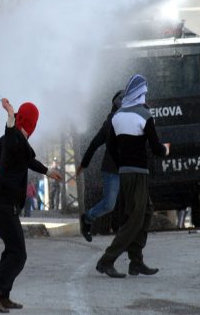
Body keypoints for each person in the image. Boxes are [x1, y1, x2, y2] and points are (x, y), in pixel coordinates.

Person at [0, 99, 61, 313]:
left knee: (12, 251)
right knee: (19, 253)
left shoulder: (21, 143)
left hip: (3, 203)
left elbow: (30, 160)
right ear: (31, 123)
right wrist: (10, 115)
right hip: (0, 203)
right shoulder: (13, 137)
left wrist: (47, 172)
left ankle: (3, 295)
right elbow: (11, 132)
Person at [96, 74, 169, 278]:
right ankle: (106, 260)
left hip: (125, 174)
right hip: (139, 175)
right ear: (141, 94)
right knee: (135, 220)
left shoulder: (118, 116)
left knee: (146, 211)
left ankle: (136, 261)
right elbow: (156, 148)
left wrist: (121, 163)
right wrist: (165, 150)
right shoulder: (144, 116)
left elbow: (110, 146)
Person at [77, 90, 125, 242]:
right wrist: (84, 164)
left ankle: (124, 230)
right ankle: (87, 219)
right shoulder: (110, 123)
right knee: (109, 204)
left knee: (131, 201)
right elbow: (95, 143)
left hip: (129, 168)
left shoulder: (134, 118)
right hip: (111, 169)